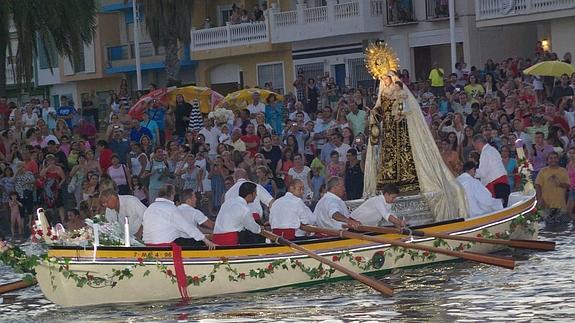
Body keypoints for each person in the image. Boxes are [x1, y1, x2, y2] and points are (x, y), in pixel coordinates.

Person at [142, 185, 215, 248]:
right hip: (166, 245)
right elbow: (187, 227)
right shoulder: (171, 208)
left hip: (148, 244)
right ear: (172, 195)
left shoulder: (150, 207)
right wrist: (206, 241)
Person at [213, 181, 262, 246]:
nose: (256, 195)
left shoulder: (227, 202)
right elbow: (253, 228)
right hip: (230, 240)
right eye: (255, 193)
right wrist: (260, 228)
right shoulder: (245, 209)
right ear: (250, 195)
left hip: (215, 238)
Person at [472, 135, 510, 207]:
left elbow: (482, 173)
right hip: (502, 183)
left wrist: (471, 173)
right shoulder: (492, 150)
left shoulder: (485, 153)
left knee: (499, 211)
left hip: (496, 185)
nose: (475, 148)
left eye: (474, 146)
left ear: (478, 143)